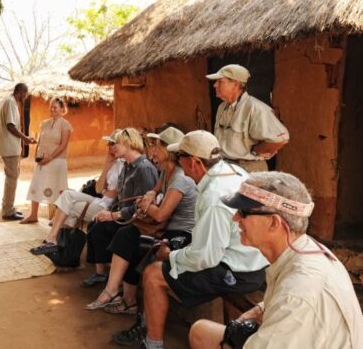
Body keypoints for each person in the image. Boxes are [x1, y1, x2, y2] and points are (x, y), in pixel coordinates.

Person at [113, 130, 268, 349]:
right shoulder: (232, 171)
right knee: (160, 252)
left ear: (194, 162)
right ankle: (145, 324)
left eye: (180, 159)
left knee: (153, 274)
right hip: (250, 260)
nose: (179, 164)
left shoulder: (215, 196)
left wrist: (171, 255)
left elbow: (206, 257)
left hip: (237, 271)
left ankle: (152, 343)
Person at [189, 171, 363, 349]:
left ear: (274, 223)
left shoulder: (297, 294)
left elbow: (294, 299)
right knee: (201, 332)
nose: (235, 218)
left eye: (243, 212)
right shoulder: (305, 249)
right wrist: (261, 309)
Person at [86, 126, 197, 315]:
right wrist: (150, 195)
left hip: (178, 233)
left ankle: (124, 299)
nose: (152, 150)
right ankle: (119, 294)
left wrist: (146, 204)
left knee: (134, 242)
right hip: (164, 227)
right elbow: (153, 191)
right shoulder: (165, 172)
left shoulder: (179, 178)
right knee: (126, 235)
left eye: (157, 146)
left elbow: (161, 214)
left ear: (168, 151)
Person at [84, 128, 158, 291]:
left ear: (129, 143)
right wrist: (108, 211)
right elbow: (120, 197)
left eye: (116, 143)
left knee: (110, 230)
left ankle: (114, 281)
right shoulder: (127, 166)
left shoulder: (143, 169)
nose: (113, 147)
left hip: (136, 221)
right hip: (123, 216)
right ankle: (102, 273)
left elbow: (142, 207)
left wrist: (113, 215)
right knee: (95, 225)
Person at [29, 130, 124, 256]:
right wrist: (106, 166)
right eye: (109, 144)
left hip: (108, 207)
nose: (109, 147)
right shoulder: (113, 163)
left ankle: (61, 247)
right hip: (101, 200)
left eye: (112, 144)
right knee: (66, 195)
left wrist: (105, 190)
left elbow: (113, 194)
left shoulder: (124, 165)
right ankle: (53, 239)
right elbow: (98, 189)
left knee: (69, 208)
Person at [206, 64, 289, 172]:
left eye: (220, 81)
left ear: (235, 84)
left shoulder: (255, 108)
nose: (215, 85)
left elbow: (281, 139)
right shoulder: (222, 107)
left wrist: (256, 150)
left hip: (249, 168)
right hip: (226, 167)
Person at [22, 97, 73, 224]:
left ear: (62, 109)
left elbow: (63, 145)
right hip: (42, 160)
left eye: (55, 107)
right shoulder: (44, 123)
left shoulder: (65, 125)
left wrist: (50, 158)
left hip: (57, 162)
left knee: (58, 188)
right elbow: (42, 141)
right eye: (51, 107)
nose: (52, 109)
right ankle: (33, 215)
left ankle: (57, 218)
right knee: (37, 184)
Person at [0, 83, 36, 221]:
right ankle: (8, 211)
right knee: (12, 179)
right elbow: (10, 126)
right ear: (21, 92)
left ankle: (8, 207)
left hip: (11, 147)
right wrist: (24, 138)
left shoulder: (11, 102)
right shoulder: (11, 102)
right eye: (25, 93)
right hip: (10, 148)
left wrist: (24, 139)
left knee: (11, 178)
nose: (26, 96)